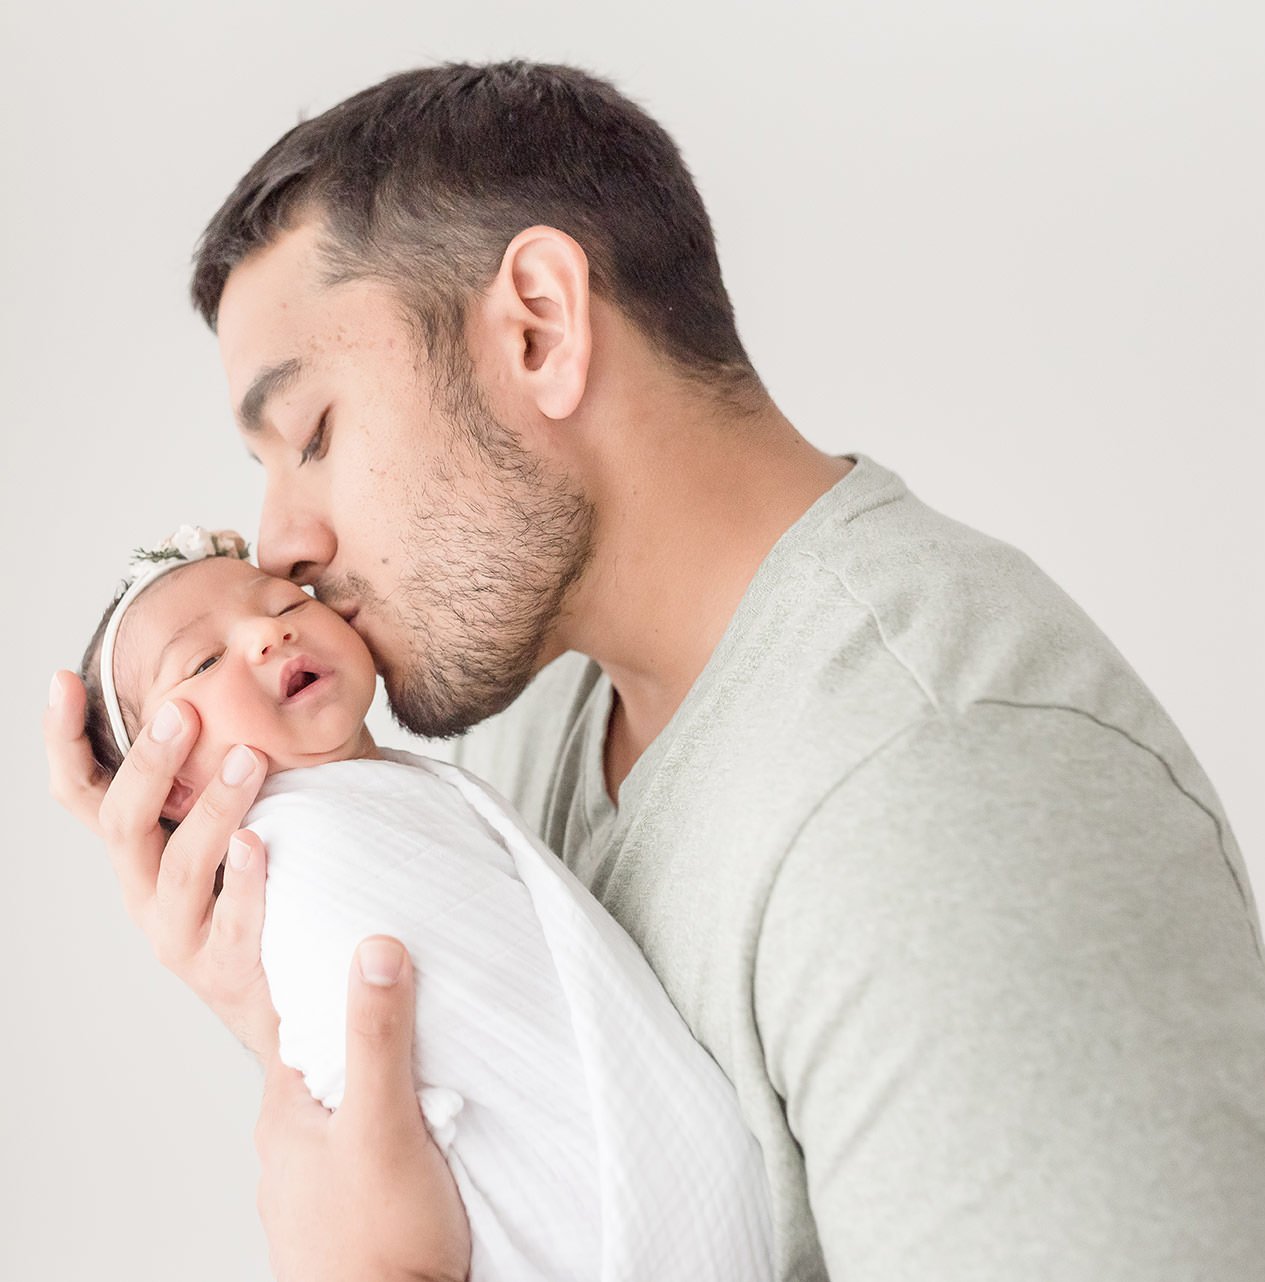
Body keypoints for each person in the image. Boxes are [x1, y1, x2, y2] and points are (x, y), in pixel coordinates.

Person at [43, 59, 1265, 1281]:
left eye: (312, 433)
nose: (282, 546)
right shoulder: (545, 720)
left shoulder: (957, 804)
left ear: (537, 328)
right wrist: (280, 991)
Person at [76, 523, 774, 1280]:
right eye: (205, 660)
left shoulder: (411, 783)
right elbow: (333, 1056)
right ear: (172, 778)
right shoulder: (283, 860)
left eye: (282, 603)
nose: (268, 635)